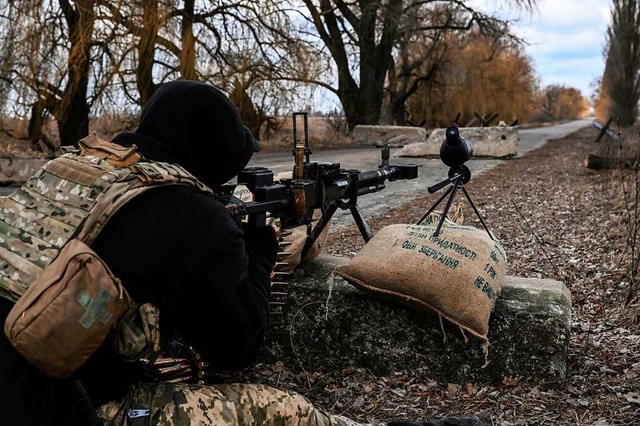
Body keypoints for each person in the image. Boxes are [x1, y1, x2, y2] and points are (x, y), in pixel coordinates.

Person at [0, 80, 483, 426]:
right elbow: (236, 349)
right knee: (282, 411)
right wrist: (260, 250)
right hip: (68, 408)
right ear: (217, 157)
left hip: (22, 373)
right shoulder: (193, 215)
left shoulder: (71, 168)